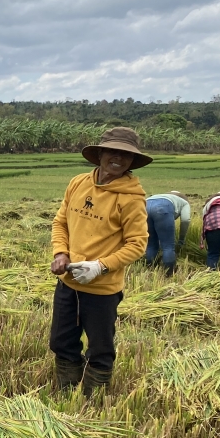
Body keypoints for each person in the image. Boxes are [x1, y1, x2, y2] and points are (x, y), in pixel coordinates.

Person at [50, 127, 150, 396]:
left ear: (132, 160)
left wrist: (100, 266)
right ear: (101, 153)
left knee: (101, 347)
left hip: (102, 289)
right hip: (69, 283)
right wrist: (61, 253)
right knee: (61, 341)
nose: (118, 158)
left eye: (126, 154)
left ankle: (93, 400)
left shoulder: (131, 199)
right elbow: (61, 222)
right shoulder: (78, 183)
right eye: (113, 151)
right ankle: (67, 392)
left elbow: (137, 245)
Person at [144, 191, 190, 275]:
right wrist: (181, 239)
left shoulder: (157, 195)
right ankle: (168, 274)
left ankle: (149, 271)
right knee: (168, 246)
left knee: (150, 245)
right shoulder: (184, 202)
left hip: (145, 206)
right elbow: (185, 220)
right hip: (162, 209)